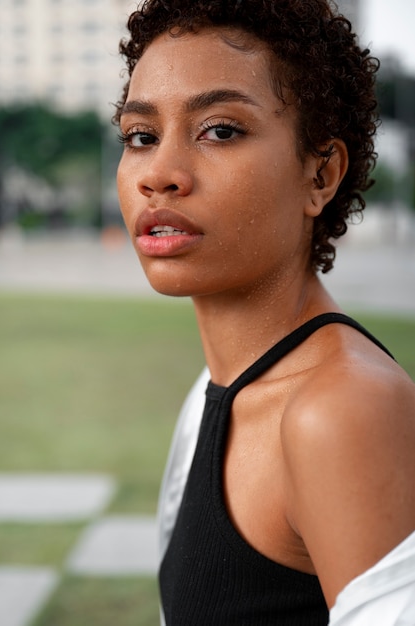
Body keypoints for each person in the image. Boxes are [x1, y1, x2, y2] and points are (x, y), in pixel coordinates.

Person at [114, 1, 415, 623]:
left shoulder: (342, 411)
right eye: (140, 136)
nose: (160, 175)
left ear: (321, 173)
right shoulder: (216, 388)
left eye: (220, 130)